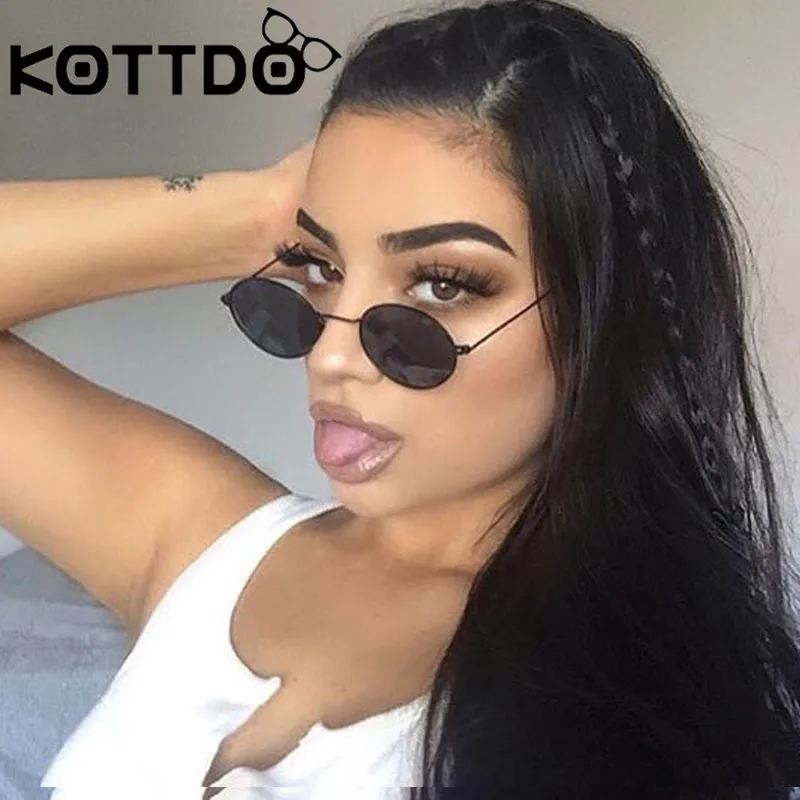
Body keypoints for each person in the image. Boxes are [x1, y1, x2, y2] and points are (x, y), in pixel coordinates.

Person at [1, 0, 799, 796]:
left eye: (442, 284)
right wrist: (256, 213)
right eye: (319, 270)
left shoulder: (636, 709)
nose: (331, 352)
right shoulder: (204, 545)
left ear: (611, 318)